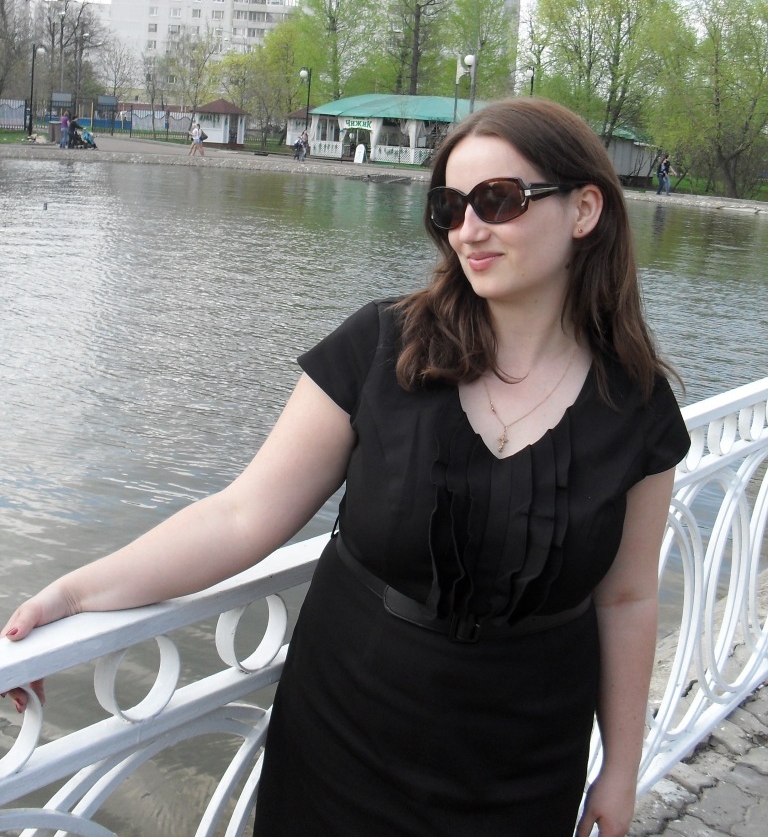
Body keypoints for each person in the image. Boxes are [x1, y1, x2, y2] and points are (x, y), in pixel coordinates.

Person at [2, 97, 691, 837]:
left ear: (584, 209)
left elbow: (626, 600)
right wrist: (73, 593)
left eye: (499, 200)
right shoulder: (383, 346)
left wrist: (621, 768)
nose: (468, 229)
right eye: (449, 207)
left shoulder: (638, 406)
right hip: (346, 732)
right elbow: (241, 516)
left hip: (526, 757)